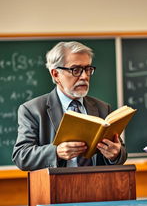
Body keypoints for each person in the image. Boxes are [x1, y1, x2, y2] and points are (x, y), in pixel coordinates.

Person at [12, 41, 127, 171]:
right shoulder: (32, 110)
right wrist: (56, 152)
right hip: (56, 188)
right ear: (55, 74)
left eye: (88, 69)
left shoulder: (102, 108)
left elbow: (120, 152)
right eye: (76, 70)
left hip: (98, 186)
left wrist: (115, 154)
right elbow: (21, 156)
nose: (84, 76)